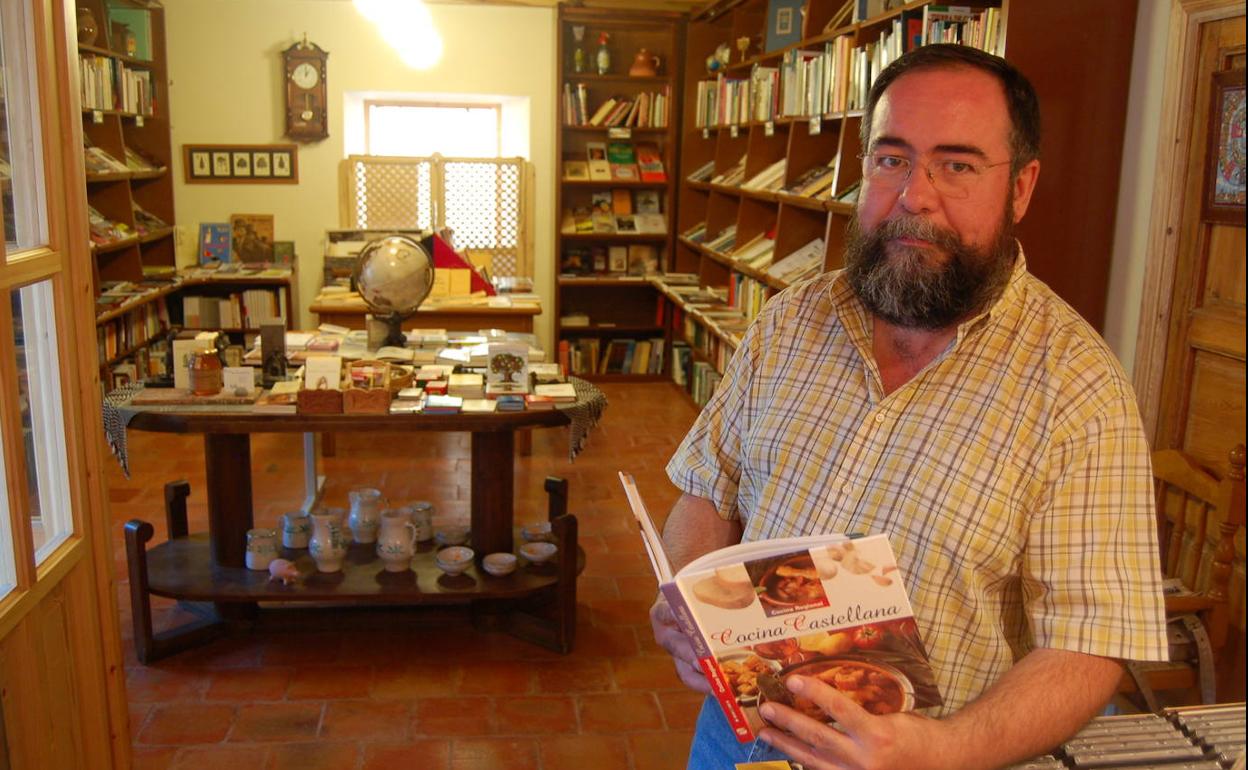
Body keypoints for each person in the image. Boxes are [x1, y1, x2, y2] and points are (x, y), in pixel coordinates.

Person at [653, 44, 1168, 770]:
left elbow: (1092, 642)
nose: (913, 196)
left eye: (956, 165)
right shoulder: (791, 321)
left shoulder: (1079, 392)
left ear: (1020, 188)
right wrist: (689, 605)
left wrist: (945, 747)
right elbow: (708, 492)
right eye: (891, 158)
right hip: (740, 735)